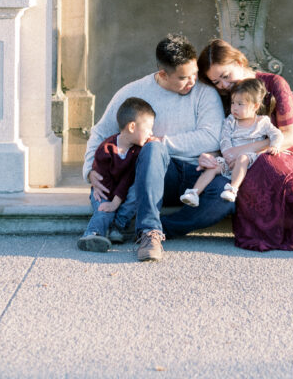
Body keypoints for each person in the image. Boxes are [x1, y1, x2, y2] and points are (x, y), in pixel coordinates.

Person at [82, 35, 234, 263]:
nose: (192, 81)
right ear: (163, 74)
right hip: (158, 173)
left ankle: (164, 228)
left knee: (226, 197)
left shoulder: (204, 92)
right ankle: (149, 233)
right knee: (152, 150)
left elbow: (212, 137)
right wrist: (89, 170)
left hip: (197, 175)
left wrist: (163, 141)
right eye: (183, 78)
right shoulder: (133, 92)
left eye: (194, 74)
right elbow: (101, 133)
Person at [197, 38, 293, 255]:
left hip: (286, 152)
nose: (224, 85)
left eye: (226, 76)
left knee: (268, 165)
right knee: (258, 167)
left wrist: (250, 149)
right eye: (216, 82)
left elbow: (290, 136)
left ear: (239, 62)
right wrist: (209, 156)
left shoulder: (275, 84)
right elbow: (223, 139)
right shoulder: (226, 98)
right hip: (247, 162)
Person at [179, 77, 283, 206]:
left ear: (255, 106)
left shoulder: (262, 122)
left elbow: (277, 134)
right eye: (233, 102)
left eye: (240, 104)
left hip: (250, 159)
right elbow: (224, 139)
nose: (234, 107)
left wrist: (274, 145)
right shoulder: (230, 121)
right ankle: (193, 193)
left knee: (243, 158)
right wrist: (228, 155)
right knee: (213, 167)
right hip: (229, 159)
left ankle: (232, 189)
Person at [76, 96, 156, 253]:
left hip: (122, 192)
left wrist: (116, 202)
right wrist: (112, 204)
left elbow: (128, 180)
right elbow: (103, 183)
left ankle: (117, 228)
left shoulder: (138, 151)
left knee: (135, 195)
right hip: (104, 189)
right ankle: (93, 234)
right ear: (132, 127)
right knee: (103, 207)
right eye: (148, 129)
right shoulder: (105, 149)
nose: (151, 133)